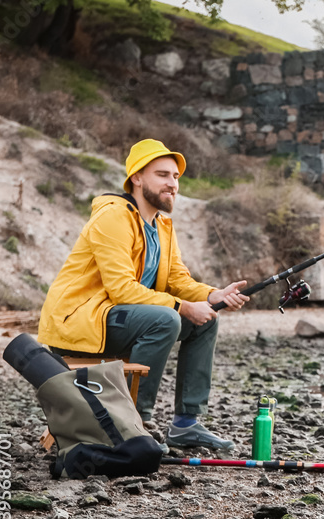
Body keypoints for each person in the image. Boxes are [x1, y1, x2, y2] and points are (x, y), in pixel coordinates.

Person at [38, 139, 249, 451]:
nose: (172, 184)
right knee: (166, 319)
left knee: (206, 319)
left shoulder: (162, 225)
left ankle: (186, 423)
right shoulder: (113, 216)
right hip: (80, 320)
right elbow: (121, 289)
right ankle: (136, 422)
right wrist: (182, 307)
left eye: (176, 177)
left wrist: (213, 294)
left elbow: (177, 278)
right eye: (162, 175)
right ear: (136, 178)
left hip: (120, 318)